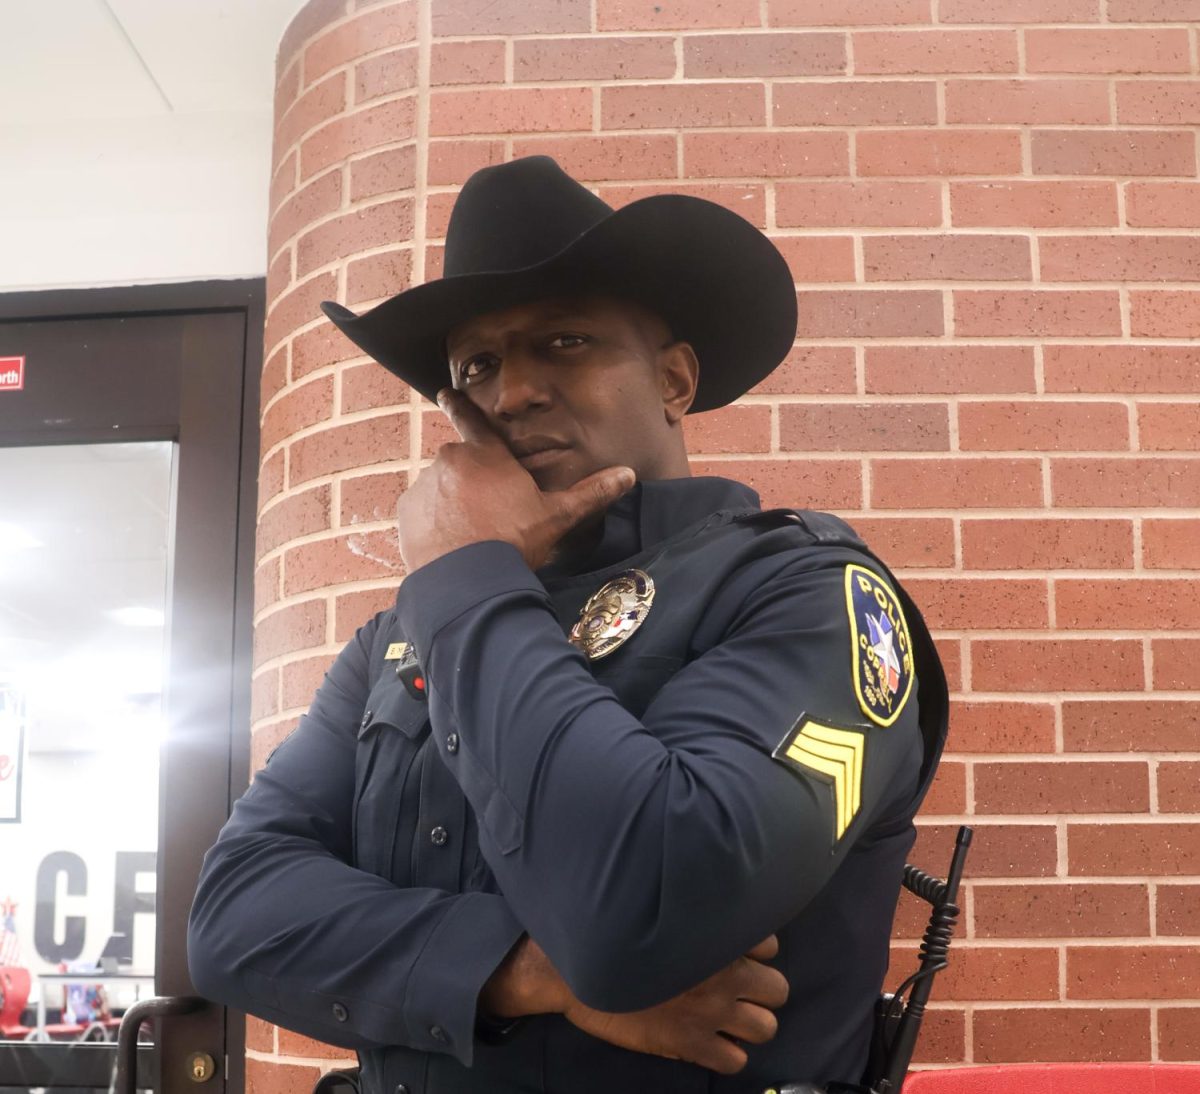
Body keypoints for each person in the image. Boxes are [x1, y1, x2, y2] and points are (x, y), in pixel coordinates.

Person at [188, 156, 947, 1094]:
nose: (513, 394)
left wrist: (467, 577)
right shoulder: (399, 637)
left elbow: (647, 908)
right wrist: (528, 973)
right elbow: (232, 915)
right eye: (478, 366)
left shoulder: (801, 591)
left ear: (674, 381)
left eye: (566, 341)